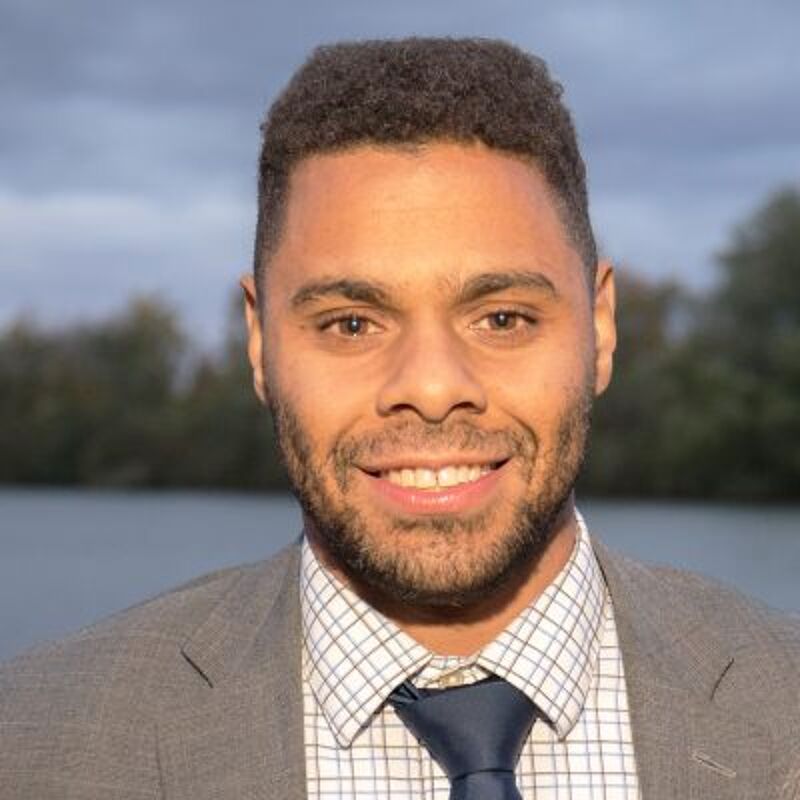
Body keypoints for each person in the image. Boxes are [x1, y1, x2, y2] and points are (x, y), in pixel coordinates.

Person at [1, 37, 798, 800]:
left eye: (503, 318)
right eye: (352, 323)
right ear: (259, 343)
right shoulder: (31, 740)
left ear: (601, 327)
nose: (430, 386)